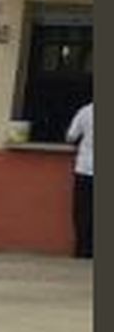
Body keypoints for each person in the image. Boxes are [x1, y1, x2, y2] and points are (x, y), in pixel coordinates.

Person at [65, 94, 93, 257]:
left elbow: (71, 136)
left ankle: (82, 249)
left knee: (82, 210)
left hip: (85, 168)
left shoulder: (85, 111)